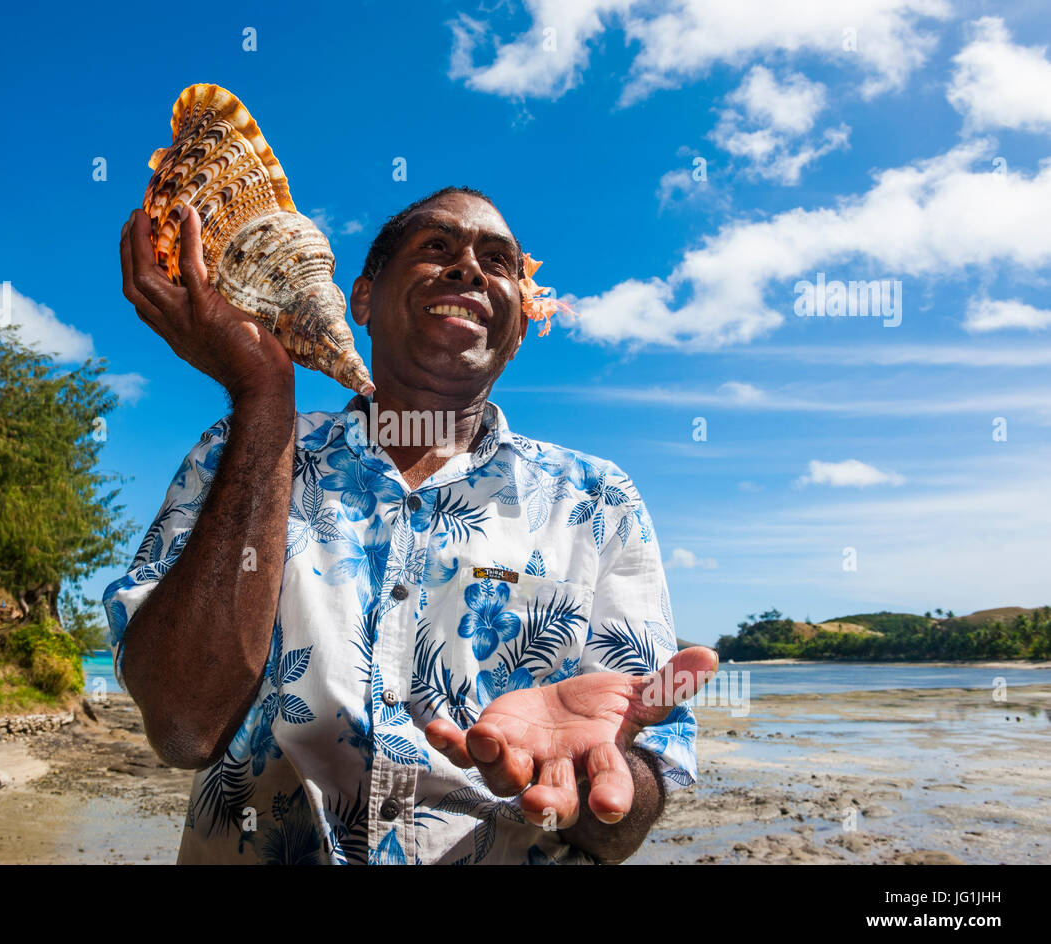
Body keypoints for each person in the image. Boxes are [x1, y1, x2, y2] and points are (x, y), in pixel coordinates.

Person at [107, 186, 718, 864]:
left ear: (517, 330)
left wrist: (599, 770)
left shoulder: (599, 501)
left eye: (498, 259)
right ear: (360, 299)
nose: (469, 267)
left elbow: (623, 824)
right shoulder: (243, 448)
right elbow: (183, 725)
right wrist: (261, 392)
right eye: (436, 246)